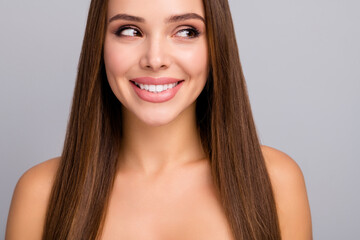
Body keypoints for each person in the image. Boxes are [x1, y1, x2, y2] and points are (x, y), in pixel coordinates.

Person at [5, 0, 312, 239]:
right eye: (129, 31)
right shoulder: (40, 194)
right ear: (99, 43)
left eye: (186, 31)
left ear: (216, 42)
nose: (155, 59)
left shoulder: (276, 182)